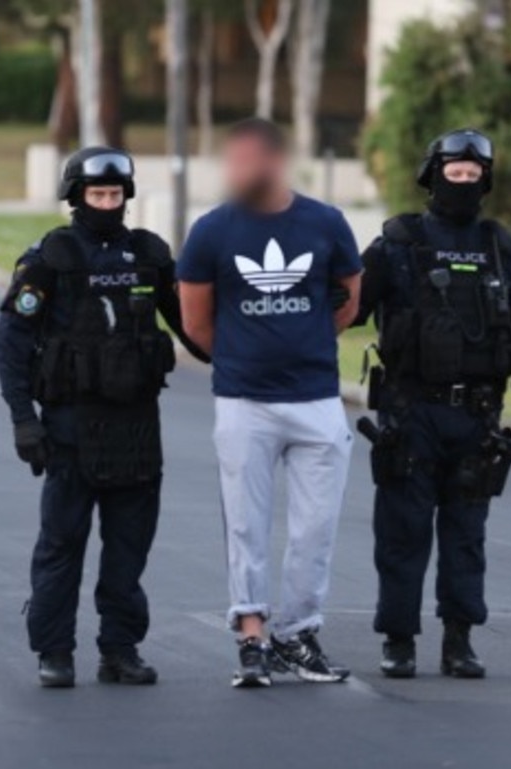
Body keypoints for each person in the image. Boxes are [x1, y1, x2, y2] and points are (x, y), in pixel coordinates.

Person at [0, 147, 210, 689]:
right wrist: (24, 419)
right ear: (76, 198)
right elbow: (11, 344)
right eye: (98, 195)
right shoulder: (52, 258)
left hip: (136, 429)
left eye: (116, 195)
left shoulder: (149, 257)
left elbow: (194, 330)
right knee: (62, 545)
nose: (108, 204)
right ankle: (54, 651)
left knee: (129, 549)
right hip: (70, 429)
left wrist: (255, 350)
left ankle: (120, 649)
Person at [354, 128, 511, 680]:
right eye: (453, 172)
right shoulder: (397, 242)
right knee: (403, 531)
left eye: (472, 175)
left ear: (485, 182)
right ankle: (398, 640)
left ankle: (459, 640)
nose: (462, 183)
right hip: (410, 412)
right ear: (431, 175)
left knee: (467, 535)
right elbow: (345, 308)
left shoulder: (499, 247)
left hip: (478, 417)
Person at [177, 118, 362, 688]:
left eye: (248, 160)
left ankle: (297, 633)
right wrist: (243, 358)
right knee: (247, 526)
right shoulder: (212, 231)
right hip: (244, 403)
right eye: (231, 161)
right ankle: (253, 636)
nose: (238, 171)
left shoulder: (325, 223)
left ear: (277, 161)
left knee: (316, 527)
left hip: (317, 402)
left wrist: (301, 345)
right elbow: (196, 322)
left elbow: (349, 302)